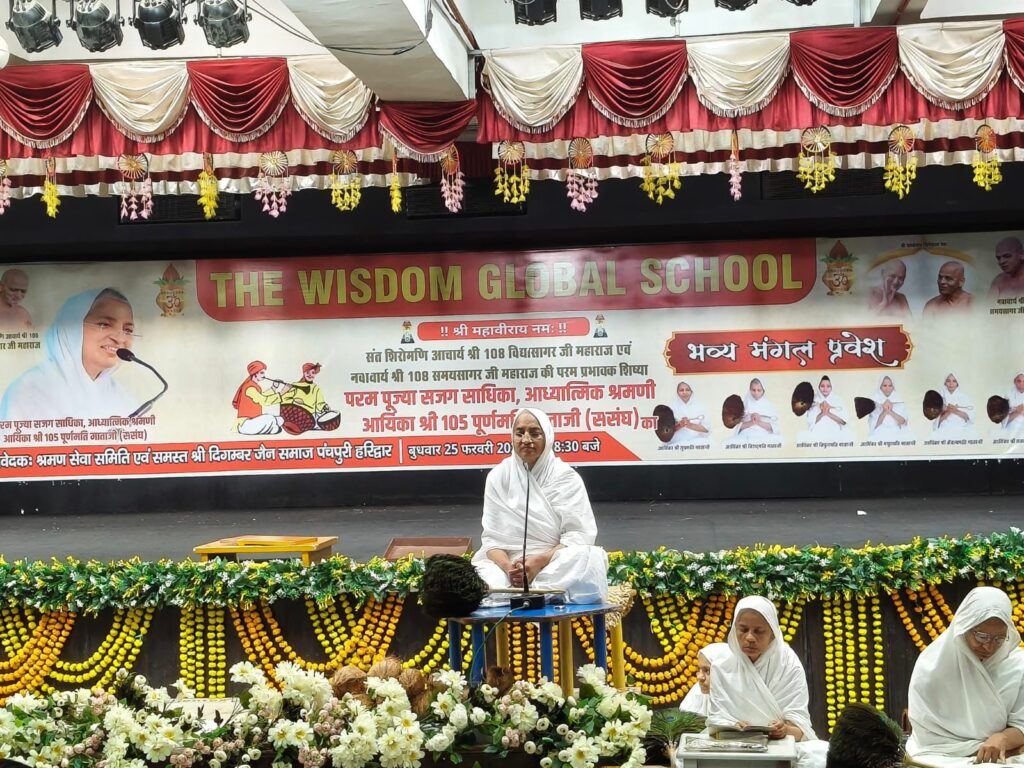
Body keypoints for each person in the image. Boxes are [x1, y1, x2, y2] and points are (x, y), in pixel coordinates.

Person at [471, 408, 609, 604]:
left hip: (552, 562)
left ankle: (516, 594)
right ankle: (543, 592)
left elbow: (579, 535)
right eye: (520, 433)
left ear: (548, 437)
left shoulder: (566, 477)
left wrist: (539, 562)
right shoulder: (498, 476)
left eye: (535, 433)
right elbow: (491, 541)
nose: (526, 440)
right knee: (479, 576)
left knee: (588, 558)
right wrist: (509, 568)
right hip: (508, 569)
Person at [907, 586, 1024, 766]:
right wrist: (979, 749)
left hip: (1004, 753)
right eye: (982, 636)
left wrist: (1002, 738)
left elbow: (1021, 724)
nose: (989, 647)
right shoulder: (932, 665)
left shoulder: (1017, 664)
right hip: (940, 753)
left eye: (999, 639)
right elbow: (927, 734)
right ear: (964, 626)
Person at [708, 596, 828, 768]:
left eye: (759, 631)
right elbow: (716, 722)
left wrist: (784, 730)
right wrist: (733, 726)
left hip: (781, 746)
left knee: (822, 755)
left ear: (772, 633)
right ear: (734, 629)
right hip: (732, 748)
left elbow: (800, 730)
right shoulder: (721, 665)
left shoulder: (788, 663)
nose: (750, 637)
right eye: (743, 629)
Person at [0, 288, 138, 420]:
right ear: (70, 329)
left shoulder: (122, 399)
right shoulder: (29, 391)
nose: (120, 338)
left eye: (128, 330)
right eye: (104, 324)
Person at [232, 360, 289, 435]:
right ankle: (272, 428)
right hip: (245, 423)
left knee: (280, 420)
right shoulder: (249, 388)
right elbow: (264, 401)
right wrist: (282, 393)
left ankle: (272, 428)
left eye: (264, 373)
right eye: (261, 373)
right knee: (270, 418)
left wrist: (274, 387)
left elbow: (262, 396)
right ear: (255, 374)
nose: (264, 375)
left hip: (254, 422)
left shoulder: (254, 386)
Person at [725, 378, 781, 446]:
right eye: (753, 390)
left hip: (764, 435)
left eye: (759, 390)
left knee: (780, 441)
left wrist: (759, 421)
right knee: (726, 443)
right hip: (746, 434)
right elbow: (737, 426)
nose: (756, 393)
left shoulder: (769, 406)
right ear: (750, 390)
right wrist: (751, 422)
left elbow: (775, 427)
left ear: (763, 391)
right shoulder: (743, 404)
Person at [679, 643, 731, 716]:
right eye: (699, 669)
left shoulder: (743, 698)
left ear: (725, 671)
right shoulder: (697, 693)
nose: (699, 677)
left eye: (707, 670)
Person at [280, 362, 327, 434]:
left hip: (311, 416)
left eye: (313, 373)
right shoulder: (295, 385)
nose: (310, 375)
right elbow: (284, 399)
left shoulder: (316, 388)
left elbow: (319, 403)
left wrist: (324, 406)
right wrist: (294, 400)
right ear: (304, 373)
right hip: (294, 414)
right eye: (307, 372)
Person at [934, 373, 976, 438]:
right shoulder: (940, 396)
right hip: (944, 428)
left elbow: (968, 419)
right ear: (945, 383)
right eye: (948, 381)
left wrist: (955, 410)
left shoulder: (964, 397)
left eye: (954, 381)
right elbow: (938, 421)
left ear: (957, 383)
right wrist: (948, 411)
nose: (951, 384)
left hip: (961, 427)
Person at [867, 375, 909, 440]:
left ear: (893, 387)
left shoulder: (899, 400)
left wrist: (890, 411)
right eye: (884, 385)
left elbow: (904, 423)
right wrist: (884, 411)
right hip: (879, 434)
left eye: (890, 386)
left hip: (897, 434)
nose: (887, 389)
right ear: (880, 386)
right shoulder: (874, 402)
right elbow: (874, 426)